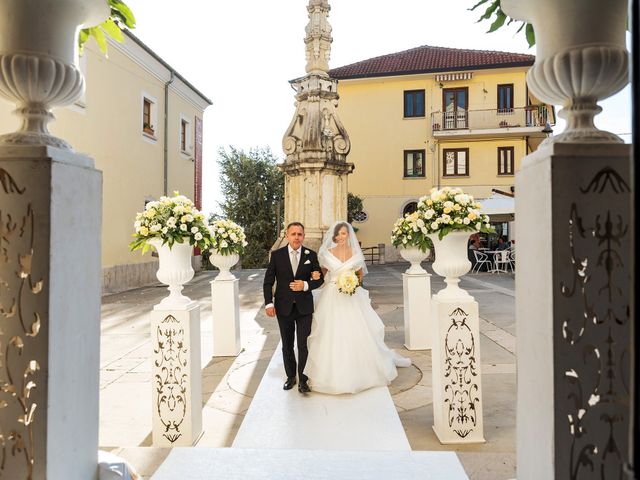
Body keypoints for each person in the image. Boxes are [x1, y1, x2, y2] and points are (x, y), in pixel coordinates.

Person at [304, 221, 411, 395]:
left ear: (348, 235)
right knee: (331, 331)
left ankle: (361, 371)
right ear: (334, 236)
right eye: (338, 234)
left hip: (351, 296)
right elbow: (320, 276)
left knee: (355, 330)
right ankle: (327, 374)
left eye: (344, 233)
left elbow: (360, 277)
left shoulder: (355, 253)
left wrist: (351, 282)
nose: (340, 237)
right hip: (331, 296)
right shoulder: (326, 254)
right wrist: (311, 278)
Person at [263, 222, 324, 393]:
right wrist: (268, 303)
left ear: (303, 236)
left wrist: (305, 284)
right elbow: (268, 282)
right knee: (287, 344)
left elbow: (319, 279)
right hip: (283, 308)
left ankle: (303, 380)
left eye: (299, 234)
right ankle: (291, 377)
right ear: (288, 236)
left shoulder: (310, 255)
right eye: (293, 234)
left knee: (303, 344)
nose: (296, 237)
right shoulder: (277, 255)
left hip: (304, 308)